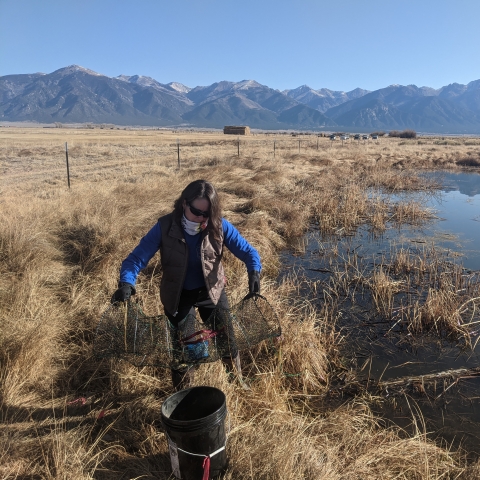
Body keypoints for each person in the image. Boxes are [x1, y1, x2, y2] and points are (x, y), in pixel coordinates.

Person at [111, 179, 261, 390]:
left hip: (212, 292)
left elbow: (248, 251)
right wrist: (126, 283)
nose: (201, 218)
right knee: (184, 348)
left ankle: (237, 382)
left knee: (227, 340)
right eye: (196, 211)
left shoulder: (219, 225)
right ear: (184, 203)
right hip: (178, 295)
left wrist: (254, 272)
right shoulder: (164, 227)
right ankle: (183, 393)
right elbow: (135, 259)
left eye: (206, 214)